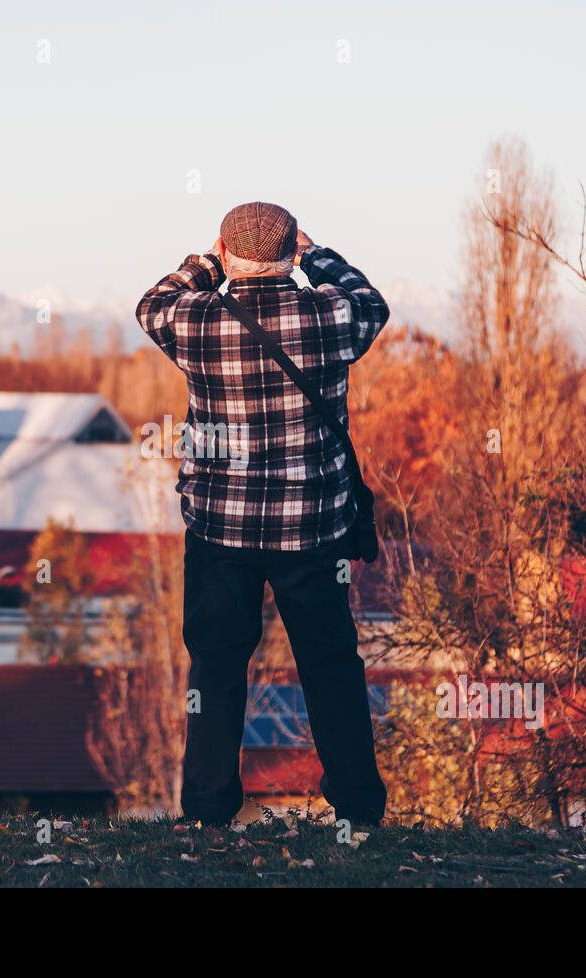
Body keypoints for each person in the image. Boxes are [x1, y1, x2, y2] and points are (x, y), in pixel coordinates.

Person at [135, 200, 389, 826]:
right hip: (313, 530)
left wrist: (204, 264)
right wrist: (316, 255)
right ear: (288, 254)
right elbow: (371, 301)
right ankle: (357, 810)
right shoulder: (329, 316)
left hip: (221, 530)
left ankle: (206, 812)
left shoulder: (196, 320)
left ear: (227, 254)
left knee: (216, 668)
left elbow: (150, 304)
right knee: (330, 666)